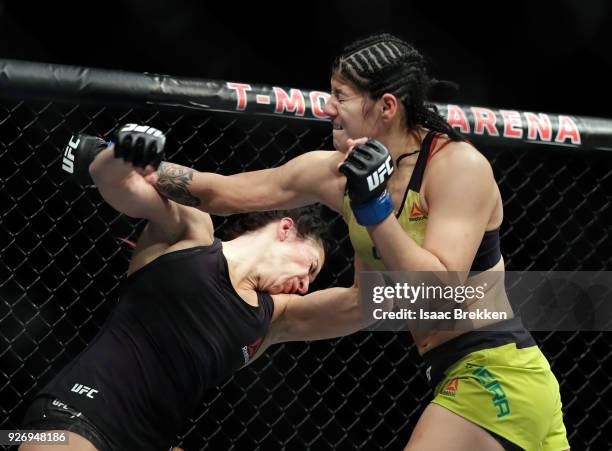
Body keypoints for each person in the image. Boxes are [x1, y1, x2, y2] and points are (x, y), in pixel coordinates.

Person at [143, 34, 570, 450]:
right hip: (468, 375)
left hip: (495, 370)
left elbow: (442, 292)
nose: (327, 108)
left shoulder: (457, 167)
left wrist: (376, 209)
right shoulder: (336, 173)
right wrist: (130, 163)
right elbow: (221, 193)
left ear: (385, 106)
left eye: (340, 95)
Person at [19, 125, 372, 451]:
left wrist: (368, 207)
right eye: (310, 267)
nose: (306, 285)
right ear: (285, 229)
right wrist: (120, 152)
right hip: (72, 417)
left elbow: (366, 304)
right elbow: (115, 183)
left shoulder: (273, 318)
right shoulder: (194, 233)